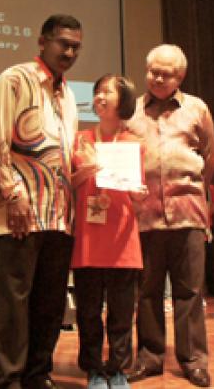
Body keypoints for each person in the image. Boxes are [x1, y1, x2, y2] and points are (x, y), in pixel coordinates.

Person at [0, 14, 82, 389]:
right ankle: (8, 379)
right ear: (42, 42)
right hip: (20, 210)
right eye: (64, 43)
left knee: (50, 301)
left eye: (76, 46)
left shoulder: (69, 93)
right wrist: (12, 195)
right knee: (14, 301)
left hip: (60, 214)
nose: (70, 51)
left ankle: (38, 374)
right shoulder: (15, 79)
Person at [126, 45, 214, 387]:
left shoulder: (197, 109)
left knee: (189, 292)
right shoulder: (131, 112)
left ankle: (193, 359)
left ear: (180, 77)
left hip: (188, 214)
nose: (159, 78)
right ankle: (149, 358)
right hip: (144, 216)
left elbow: (211, 159)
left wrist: (195, 192)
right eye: (154, 71)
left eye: (167, 73)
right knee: (146, 291)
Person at [70, 75, 144, 389]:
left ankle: (117, 369)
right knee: (87, 311)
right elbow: (70, 186)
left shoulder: (133, 143)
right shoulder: (80, 139)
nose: (100, 97)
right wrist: (82, 173)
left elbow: (137, 196)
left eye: (107, 92)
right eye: (97, 92)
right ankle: (92, 368)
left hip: (122, 238)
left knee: (121, 312)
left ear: (123, 100)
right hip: (88, 237)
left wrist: (139, 194)